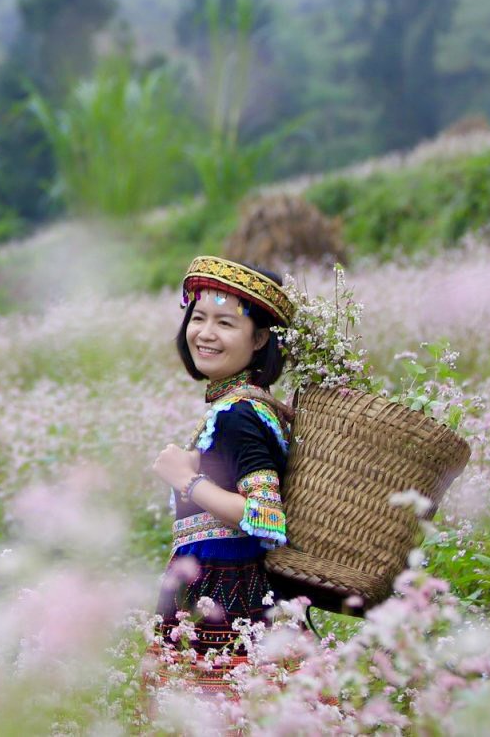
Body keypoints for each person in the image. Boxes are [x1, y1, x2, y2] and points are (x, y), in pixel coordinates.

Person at [150, 254, 294, 670]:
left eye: (225, 323)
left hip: (226, 613)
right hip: (216, 604)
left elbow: (265, 515)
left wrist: (187, 480)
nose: (205, 334)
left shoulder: (239, 413)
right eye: (199, 318)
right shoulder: (238, 408)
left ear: (261, 339)